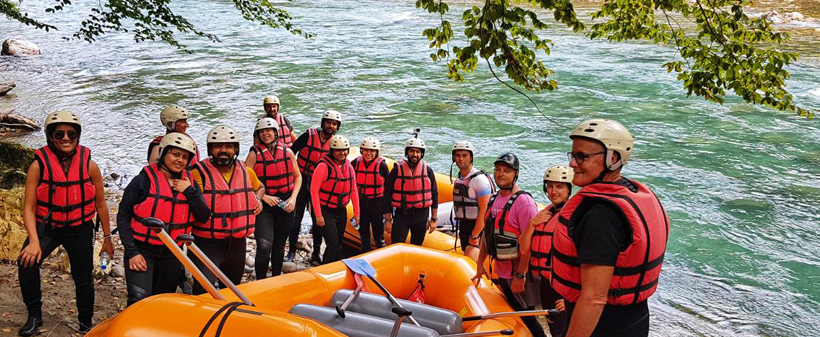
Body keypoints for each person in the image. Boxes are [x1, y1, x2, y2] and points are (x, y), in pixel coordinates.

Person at [550, 119, 669, 337]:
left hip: (604, 325)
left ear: (612, 159)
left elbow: (594, 297)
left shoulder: (600, 215)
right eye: (572, 155)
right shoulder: (633, 192)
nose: (573, 164)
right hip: (636, 319)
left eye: (582, 156)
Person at [17, 111, 114, 335]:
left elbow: (101, 205)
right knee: (26, 264)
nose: (66, 138)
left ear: (78, 136)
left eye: (71, 133)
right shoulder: (38, 166)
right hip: (48, 226)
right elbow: (29, 208)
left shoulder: (90, 166)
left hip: (80, 228)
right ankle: (34, 316)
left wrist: (108, 239)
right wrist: (33, 241)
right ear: (51, 137)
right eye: (59, 133)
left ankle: (85, 323)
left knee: (83, 277)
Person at [117, 133, 210, 306]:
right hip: (142, 250)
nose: (180, 160)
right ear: (163, 154)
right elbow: (123, 217)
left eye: (184, 157)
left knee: (161, 302)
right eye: (175, 154)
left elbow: (203, 216)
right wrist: (132, 253)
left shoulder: (190, 184)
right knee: (138, 300)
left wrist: (190, 192)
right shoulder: (142, 181)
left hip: (172, 253)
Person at [472, 153, 545, 337]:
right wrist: (480, 263)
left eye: (506, 171)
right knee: (518, 313)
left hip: (519, 275)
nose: (500, 174)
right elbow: (488, 236)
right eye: (498, 170)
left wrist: (520, 275)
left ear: (516, 174)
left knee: (527, 316)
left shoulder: (524, 203)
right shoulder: (494, 198)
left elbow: (528, 244)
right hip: (502, 270)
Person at [188, 126, 263, 294]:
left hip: (236, 245)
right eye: (218, 146)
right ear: (210, 149)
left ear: (235, 149)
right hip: (206, 244)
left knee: (231, 289)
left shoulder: (247, 172)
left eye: (228, 146)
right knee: (203, 290)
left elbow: (260, 187)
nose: (223, 151)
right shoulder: (196, 174)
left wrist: (258, 199)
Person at [246, 118, 302, 278]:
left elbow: (298, 177)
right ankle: (261, 279)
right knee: (264, 245)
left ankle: (276, 276)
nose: (265, 134)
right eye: (262, 132)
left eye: (269, 130)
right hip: (265, 207)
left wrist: (293, 199)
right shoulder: (253, 155)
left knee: (279, 245)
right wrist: (264, 197)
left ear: (276, 133)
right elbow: (243, 181)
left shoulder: (288, 152)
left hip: (286, 203)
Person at [522, 165, 574, 337]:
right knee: (553, 327)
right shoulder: (545, 214)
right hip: (546, 284)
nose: (554, 191)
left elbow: (582, 263)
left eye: (559, 186)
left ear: (569, 189)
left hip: (565, 288)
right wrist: (532, 224)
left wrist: (572, 299)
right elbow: (523, 248)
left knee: (563, 331)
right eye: (550, 186)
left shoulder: (574, 218)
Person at [287, 110, 342, 264]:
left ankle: (316, 252)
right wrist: (292, 174)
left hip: (319, 185)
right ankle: (291, 250)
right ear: (322, 123)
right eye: (328, 122)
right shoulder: (308, 135)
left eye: (334, 124)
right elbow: (291, 152)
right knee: (296, 218)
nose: (331, 126)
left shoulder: (335, 143)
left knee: (318, 219)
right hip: (302, 180)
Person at [309, 135, 360, 264]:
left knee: (339, 244)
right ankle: (324, 270)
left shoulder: (348, 166)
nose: (342, 153)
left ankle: (336, 270)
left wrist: (357, 213)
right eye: (338, 150)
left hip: (341, 210)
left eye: (345, 150)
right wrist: (318, 216)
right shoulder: (323, 167)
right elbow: (314, 191)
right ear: (331, 151)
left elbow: (353, 190)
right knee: (333, 244)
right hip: (325, 210)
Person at [383, 135, 438, 246]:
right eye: (412, 151)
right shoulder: (396, 170)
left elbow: (434, 194)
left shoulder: (427, 170)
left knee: (417, 245)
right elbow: (387, 195)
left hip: (421, 215)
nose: (415, 154)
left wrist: (433, 219)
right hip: (402, 214)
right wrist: (388, 220)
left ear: (421, 154)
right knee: (397, 244)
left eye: (418, 152)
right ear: (407, 152)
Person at [450, 141, 493, 261]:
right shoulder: (461, 178)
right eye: (457, 155)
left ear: (471, 157)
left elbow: (485, 210)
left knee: (473, 263)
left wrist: (475, 235)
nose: (460, 159)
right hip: (464, 226)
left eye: (464, 155)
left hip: (478, 229)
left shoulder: (479, 180)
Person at [350, 137, 389, 252]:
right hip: (361, 202)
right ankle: (365, 253)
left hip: (377, 203)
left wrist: (388, 212)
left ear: (377, 152)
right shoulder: (356, 163)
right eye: (366, 150)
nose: (369, 153)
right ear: (361, 151)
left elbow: (388, 188)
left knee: (378, 233)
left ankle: (380, 254)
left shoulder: (382, 166)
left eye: (372, 151)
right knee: (364, 232)